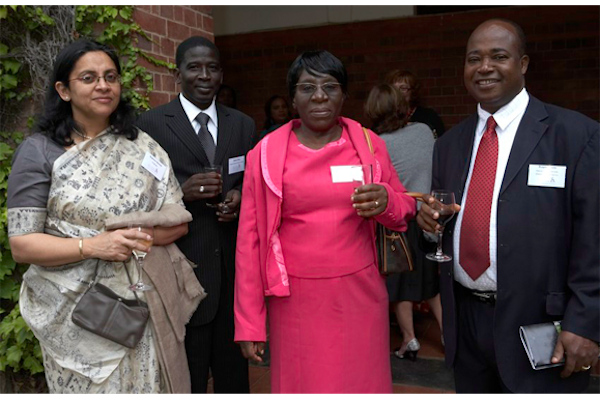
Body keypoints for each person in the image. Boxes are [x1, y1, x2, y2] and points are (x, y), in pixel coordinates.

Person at [416, 19, 599, 394]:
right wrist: (427, 224)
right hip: (466, 324)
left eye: (498, 56)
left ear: (524, 64)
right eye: (474, 59)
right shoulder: (448, 145)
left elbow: (593, 241)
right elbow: (442, 223)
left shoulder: (575, 135)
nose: (484, 67)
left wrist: (585, 323)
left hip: (543, 325)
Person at [7, 40, 191, 394]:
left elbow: (176, 220)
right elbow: (22, 244)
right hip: (73, 312)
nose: (103, 85)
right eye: (89, 78)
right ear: (63, 89)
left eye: (111, 77)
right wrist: (94, 245)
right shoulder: (39, 152)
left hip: (138, 305)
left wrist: (136, 236)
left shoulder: (144, 147)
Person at [234, 50, 416, 394]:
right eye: (307, 88)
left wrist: (386, 201)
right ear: (292, 98)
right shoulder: (265, 153)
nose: (319, 96)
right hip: (295, 300)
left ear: (344, 95)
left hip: (360, 293)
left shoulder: (367, 143)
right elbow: (249, 242)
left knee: (361, 383)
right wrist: (249, 324)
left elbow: (405, 206)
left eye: (330, 87)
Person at [136, 36, 257, 395]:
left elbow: (252, 178)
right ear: (178, 74)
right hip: (183, 272)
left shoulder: (243, 124)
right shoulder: (152, 124)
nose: (204, 75)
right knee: (187, 375)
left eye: (213, 67)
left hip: (233, 272)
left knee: (234, 375)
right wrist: (182, 192)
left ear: (221, 73)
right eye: (194, 67)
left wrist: (238, 195)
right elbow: (140, 193)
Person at [364, 83, 443, 361]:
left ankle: (409, 339)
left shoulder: (374, 142)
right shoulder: (423, 131)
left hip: (396, 219)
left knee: (399, 285)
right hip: (426, 218)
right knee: (430, 285)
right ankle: (448, 335)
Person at [385, 69, 446, 138]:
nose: (398, 93)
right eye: (394, 88)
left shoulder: (429, 116)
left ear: (413, 92)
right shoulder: (384, 117)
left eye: (403, 88)